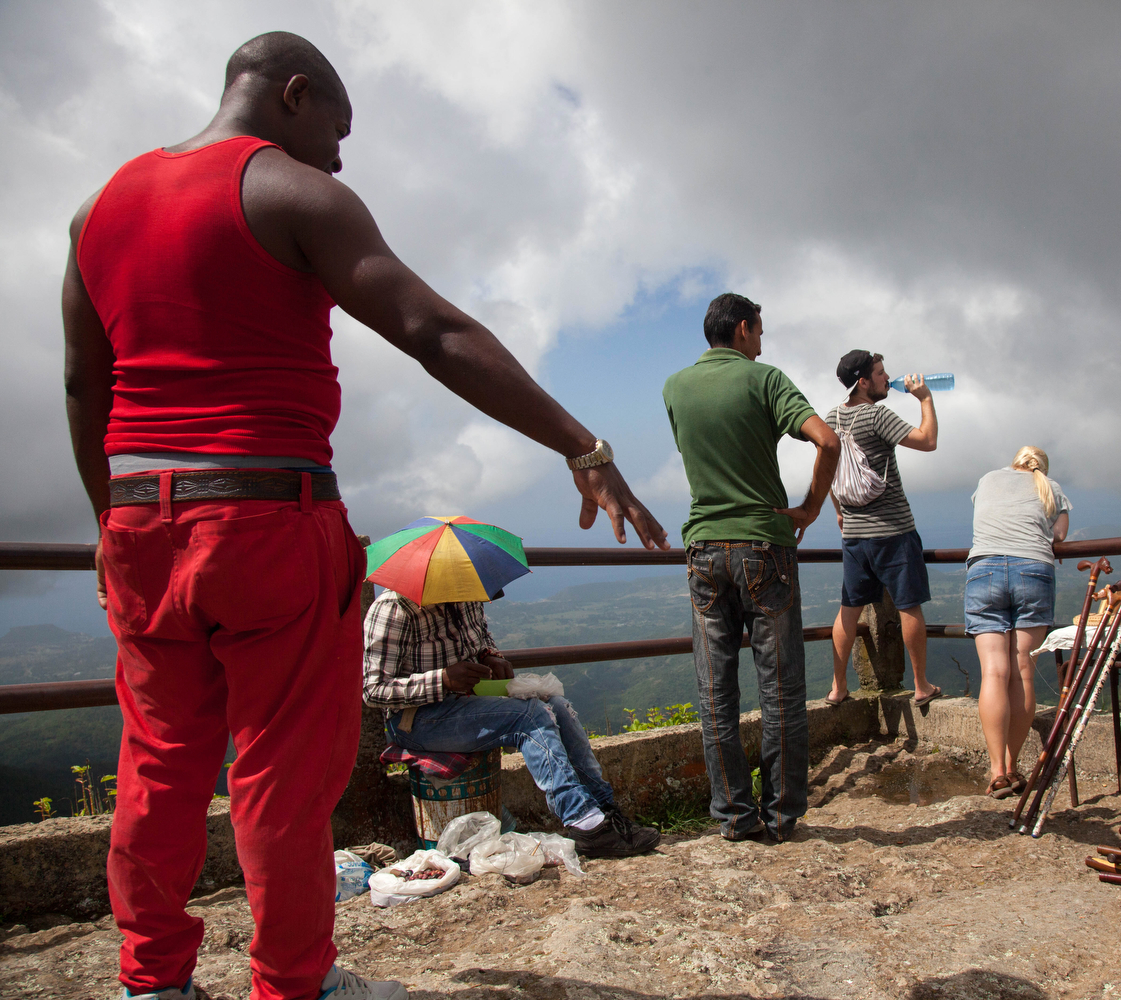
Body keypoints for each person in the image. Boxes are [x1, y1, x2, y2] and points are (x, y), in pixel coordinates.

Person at [62, 32, 667, 1000]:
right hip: (265, 515)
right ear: (295, 94)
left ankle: (154, 982)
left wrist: (112, 522)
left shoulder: (97, 210)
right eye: (337, 130)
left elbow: (84, 383)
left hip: (139, 521)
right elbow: (433, 329)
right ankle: (294, 983)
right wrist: (581, 445)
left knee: (158, 767)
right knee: (280, 773)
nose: (341, 156)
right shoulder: (296, 193)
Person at [661, 293, 840, 843]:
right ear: (743, 329)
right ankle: (781, 819)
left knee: (716, 693)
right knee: (781, 690)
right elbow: (827, 440)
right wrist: (810, 507)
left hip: (704, 552)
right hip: (765, 548)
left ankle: (734, 819)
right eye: (759, 332)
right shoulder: (764, 379)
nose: (761, 342)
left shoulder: (675, 387)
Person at [362, 590, 660, 857]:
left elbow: (481, 642)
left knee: (557, 705)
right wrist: (441, 679)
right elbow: (373, 690)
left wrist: (491, 657)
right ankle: (584, 823)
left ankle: (604, 811)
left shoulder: (467, 597)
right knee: (529, 715)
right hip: (418, 719)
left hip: (468, 703)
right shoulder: (395, 608)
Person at [823, 350, 940, 708]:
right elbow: (927, 440)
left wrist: (841, 512)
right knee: (909, 607)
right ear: (863, 382)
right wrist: (925, 399)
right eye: (880, 373)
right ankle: (921, 685)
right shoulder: (876, 414)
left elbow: (828, 471)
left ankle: (837, 686)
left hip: (855, 536)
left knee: (848, 610)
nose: (888, 378)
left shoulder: (831, 417)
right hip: (893, 531)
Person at [964, 446, 1072, 799]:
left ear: (1015, 463)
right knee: (1023, 669)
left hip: (984, 570)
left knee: (994, 672)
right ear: (1041, 466)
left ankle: (996, 772)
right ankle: (1012, 767)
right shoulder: (1051, 487)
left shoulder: (988, 480)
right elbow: (1059, 537)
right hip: (1033, 569)